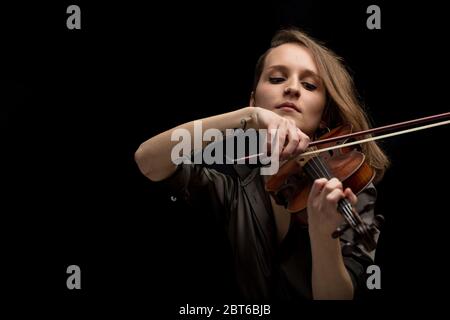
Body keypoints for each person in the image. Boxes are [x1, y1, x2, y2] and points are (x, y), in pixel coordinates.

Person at [134, 28, 389, 301]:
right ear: (254, 100)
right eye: (277, 78)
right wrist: (248, 117)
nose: (291, 88)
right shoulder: (233, 183)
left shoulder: (351, 184)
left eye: (310, 85)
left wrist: (323, 234)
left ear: (324, 113)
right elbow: (148, 160)